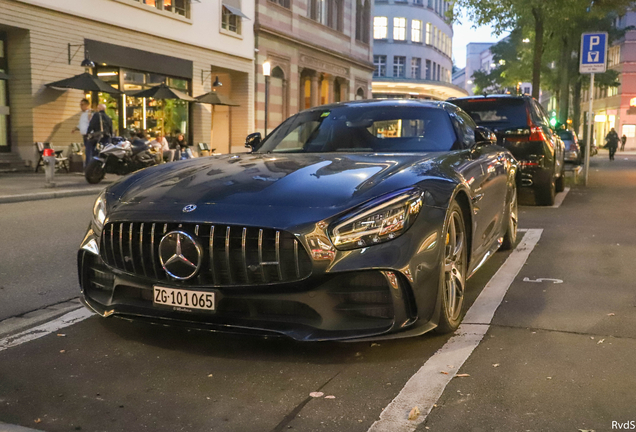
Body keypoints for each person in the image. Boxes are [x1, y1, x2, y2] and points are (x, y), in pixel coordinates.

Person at [86, 104, 113, 169]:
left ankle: (89, 167)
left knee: (90, 150)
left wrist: (88, 133)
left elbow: (91, 125)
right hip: (106, 137)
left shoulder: (96, 115)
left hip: (97, 137)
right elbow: (111, 129)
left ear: (99, 109)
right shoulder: (108, 117)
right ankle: (101, 168)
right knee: (103, 153)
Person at [71, 99, 92, 168]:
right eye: (80, 105)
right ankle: (87, 165)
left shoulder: (89, 113)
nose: (81, 106)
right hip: (84, 135)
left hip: (89, 135)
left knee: (89, 151)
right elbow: (81, 125)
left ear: (87, 105)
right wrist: (75, 128)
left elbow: (91, 123)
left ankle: (88, 166)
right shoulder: (82, 114)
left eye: (82, 105)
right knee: (87, 151)